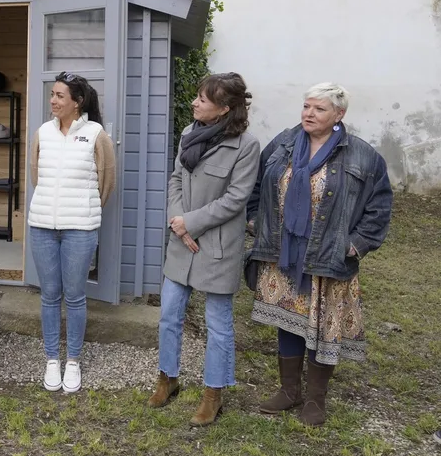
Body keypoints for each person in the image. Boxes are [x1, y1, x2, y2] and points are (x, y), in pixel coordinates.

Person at [248, 83, 392, 427]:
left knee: (321, 326)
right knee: (288, 318)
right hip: (283, 253)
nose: (309, 114)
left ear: (339, 115)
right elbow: (255, 183)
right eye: (306, 106)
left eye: (319, 109)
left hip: (327, 257)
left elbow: (380, 205)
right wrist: (256, 220)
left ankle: (315, 400)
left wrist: (354, 244)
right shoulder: (284, 143)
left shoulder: (361, 155)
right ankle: (288, 391)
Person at [148, 73, 260, 425]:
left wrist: (190, 223)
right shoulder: (188, 133)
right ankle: (168, 378)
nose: (194, 103)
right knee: (169, 314)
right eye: (196, 96)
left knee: (218, 324)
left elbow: (237, 199)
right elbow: (176, 179)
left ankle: (214, 393)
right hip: (182, 240)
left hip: (217, 247)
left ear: (225, 109)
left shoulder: (246, 145)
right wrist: (176, 220)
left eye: (203, 99)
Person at [27, 72, 116, 395]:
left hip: (80, 228)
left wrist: (83, 209)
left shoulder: (96, 135)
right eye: (52, 94)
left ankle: (73, 361)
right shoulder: (43, 133)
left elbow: (105, 183)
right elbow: (38, 175)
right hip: (42, 228)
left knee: (75, 296)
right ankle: (52, 359)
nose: (53, 100)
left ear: (77, 102)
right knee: (50, 295)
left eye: (60, 96)